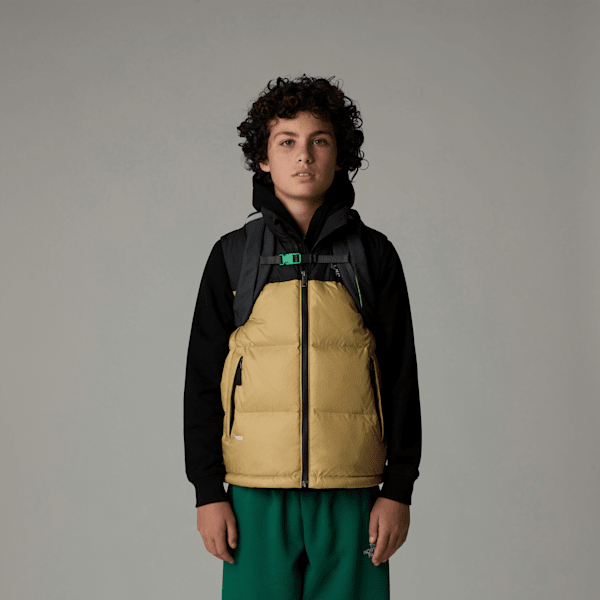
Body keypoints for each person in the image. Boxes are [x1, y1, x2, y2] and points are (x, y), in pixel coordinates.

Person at [184, 75, 422, 600]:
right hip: (254, 495)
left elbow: (401, 377)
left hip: (353, 494)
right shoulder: (232, 255)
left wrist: (398, 489)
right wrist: (207, 492)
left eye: (320, 141)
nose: (304, 156)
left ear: (340, 155)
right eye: (286, 141)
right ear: (263, 158)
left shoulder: (374, 255)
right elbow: (201, 381)